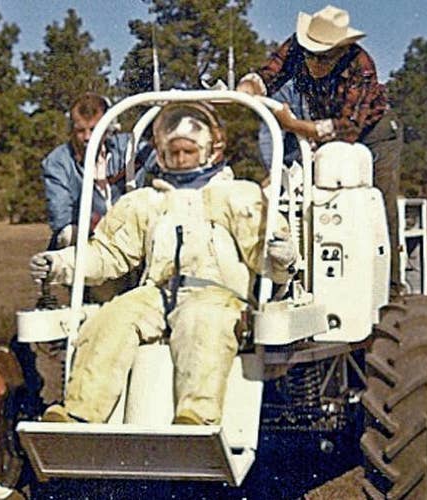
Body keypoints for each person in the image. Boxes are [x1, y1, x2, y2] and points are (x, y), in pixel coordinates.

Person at [29, 102, 296, 425]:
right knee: (111, 318)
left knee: (202, 324)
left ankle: (196, 417)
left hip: (217, 295)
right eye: (173, 152)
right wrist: (59, 264)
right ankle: (79, 413)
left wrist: (281, 256)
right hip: (155, 293)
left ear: (210, 150)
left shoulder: (237, 196)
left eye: (188, 151)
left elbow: (266, 255)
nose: (181, 159)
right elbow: (108, 253)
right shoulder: (146, 202)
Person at [237, 4, 405, 296]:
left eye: (324, 57)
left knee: (377, 201)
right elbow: (268, 74)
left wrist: (293, 125)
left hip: (373, 134)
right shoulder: (296, 48)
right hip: (320, 129)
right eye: (310, 54)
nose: (314, 62)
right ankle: (302, 281)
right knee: (305, 196)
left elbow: (348, 128)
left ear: (341, 50)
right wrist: (248, 87)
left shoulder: (361, 64)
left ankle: (389, 289)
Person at [41, 92, 152, 251]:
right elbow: (61, 218)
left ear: (108, 128)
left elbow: (162, 157)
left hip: (129, 239)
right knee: (66, 234)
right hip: (83, 242)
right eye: (80, 130)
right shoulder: (57, 162)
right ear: (71, 130)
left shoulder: (129, 146)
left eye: (94, 129)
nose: (87, 137)